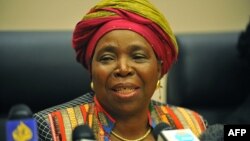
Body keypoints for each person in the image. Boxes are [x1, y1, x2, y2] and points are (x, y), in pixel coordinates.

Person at [34, 0, 207, 140]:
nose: (123, 69)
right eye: (107, 58)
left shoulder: (193, 125)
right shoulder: (48, 129)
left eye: (138, 57)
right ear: (92, 69)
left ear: (159, 69)